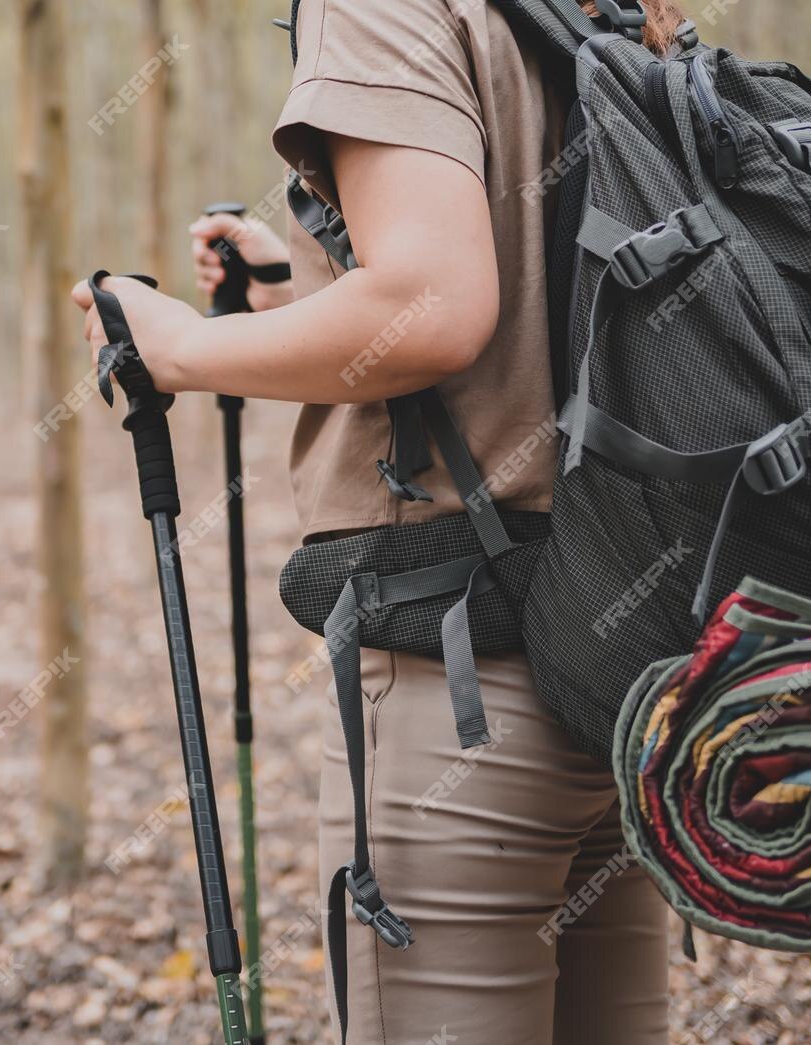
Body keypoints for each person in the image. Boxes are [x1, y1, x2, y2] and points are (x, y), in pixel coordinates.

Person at [71, 1, 688, 1040]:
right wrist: (301, 290)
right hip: (633, 659)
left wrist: (175, 349)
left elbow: (433, 309)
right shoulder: (602, 11)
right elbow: (543, 288)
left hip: (466, 686)